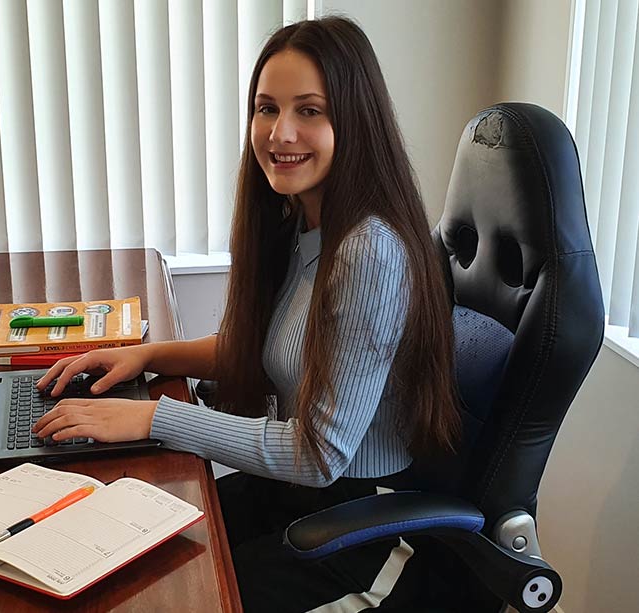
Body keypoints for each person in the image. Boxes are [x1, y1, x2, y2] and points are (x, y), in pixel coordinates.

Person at [34, 16, 460, 612]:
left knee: (157, 598)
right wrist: (149, 354)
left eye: (309, 110)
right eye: (266, 108)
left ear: (354, 119)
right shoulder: (305, 221)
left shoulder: (370, 251)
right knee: (110, 551)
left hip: (348, 523)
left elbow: (318, 456)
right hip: (288, 494)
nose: (280, 132)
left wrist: (153, 418)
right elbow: (266, 346)